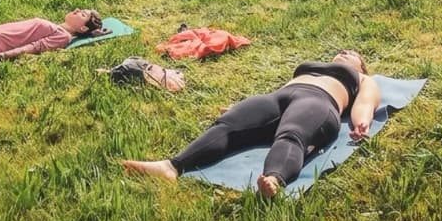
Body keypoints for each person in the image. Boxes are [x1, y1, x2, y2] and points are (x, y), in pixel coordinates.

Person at [121, 50, 380, 198]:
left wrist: (362, 123)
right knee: (228, 124)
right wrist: (241, 109)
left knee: (292, 135)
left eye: (353, 54)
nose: (345, 52)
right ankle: (172, 167)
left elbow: (366, 102)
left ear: (361, 67)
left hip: (319, 102)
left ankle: (273, 180)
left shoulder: (361, 78)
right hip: (279, 98)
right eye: (342, 51)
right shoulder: (313, 66)